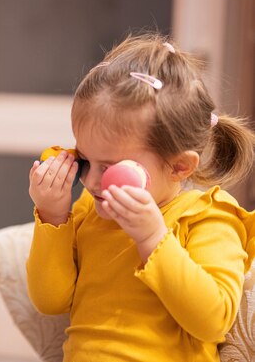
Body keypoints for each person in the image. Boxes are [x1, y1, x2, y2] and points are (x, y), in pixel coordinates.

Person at [27, 33, 255, 361]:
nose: (90, 182)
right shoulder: (92, 209)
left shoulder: (209, 217)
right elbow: (49, 301)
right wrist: (52, 216)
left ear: (179, 166)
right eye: (84, 162)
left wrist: (152, 238)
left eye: (108, 168)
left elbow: (213, 321)